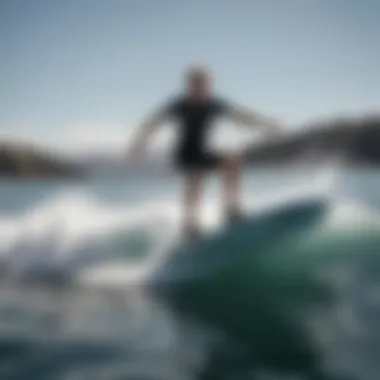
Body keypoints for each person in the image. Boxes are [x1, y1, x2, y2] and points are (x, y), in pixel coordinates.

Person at [129, 65, 283, 240]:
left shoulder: (213, 104)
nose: (200, 88)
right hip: (184, 152)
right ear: (189, 85)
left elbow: (242, 116)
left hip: (203, 150)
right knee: (196, 178)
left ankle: (231, 210)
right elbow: (152, 123)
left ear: (208, 85)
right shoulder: (179, 105)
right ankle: (190, 225)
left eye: (204, 84)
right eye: (195, 84)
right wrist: (139, 145)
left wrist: (266, 126)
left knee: (232, 160)